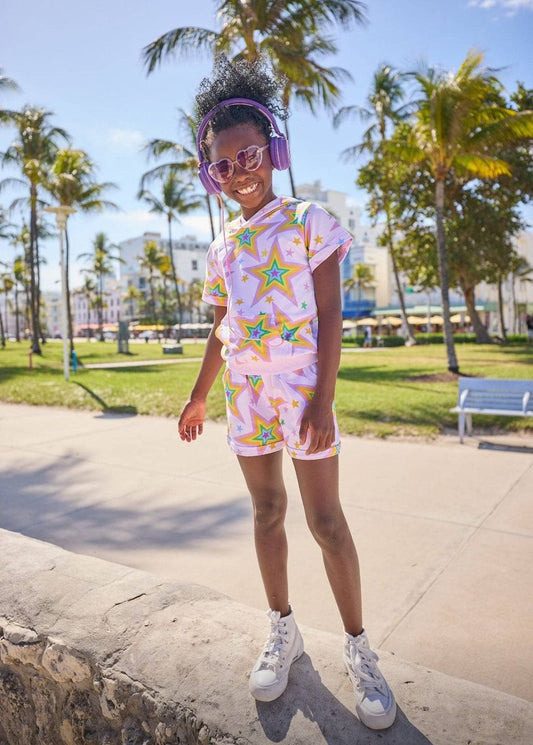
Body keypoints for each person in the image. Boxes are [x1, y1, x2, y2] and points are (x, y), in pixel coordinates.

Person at [178, 57, 396, 731]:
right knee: (266, 511)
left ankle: (359, 648)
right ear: (210, 175)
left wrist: (322, 402)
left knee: (325, 522)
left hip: (303, 394)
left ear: (272, 151)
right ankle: (283, 629)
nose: (238, 172)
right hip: (247, 398)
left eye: (248, 155)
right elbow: (222, 329)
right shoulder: (221, 247)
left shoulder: (309, 221)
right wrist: (198, 396)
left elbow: (330, 316)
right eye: (222, 165)